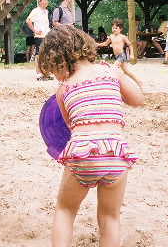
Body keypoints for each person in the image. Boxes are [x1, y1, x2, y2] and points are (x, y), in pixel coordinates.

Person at [36, 25, 144, 247]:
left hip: (82, 154)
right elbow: (137, 99)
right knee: (110, 218)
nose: (56, 77)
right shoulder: (111, 71)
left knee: (65, 211)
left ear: (59, 61)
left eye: (54, 70)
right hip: (116, 154)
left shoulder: (63, 89)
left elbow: (68, 127)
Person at [96, 18, 143, 88]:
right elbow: (105, 44)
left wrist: (132, 54)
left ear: (120, 29)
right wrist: (97, 44)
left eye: (116, 28)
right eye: (113, 28)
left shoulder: (122, 37)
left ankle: (111, 84)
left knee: (113, 68)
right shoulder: (111, 36)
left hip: (121, 56)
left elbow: (130, 45)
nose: (114, 29)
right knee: (126, 72)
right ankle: (138, 81)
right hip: (117, 56)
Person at [26, 0, 52, 80]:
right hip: (39, 36)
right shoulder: (35, 11)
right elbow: (28, 20)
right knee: (39, 54)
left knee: (47, 54)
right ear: (40, 2)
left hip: (46, 35)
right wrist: (34, 30)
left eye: (47, 0)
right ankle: (38, 73)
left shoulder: (46, 11)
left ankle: (46, 72)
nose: (46, 2)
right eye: (44, 0)